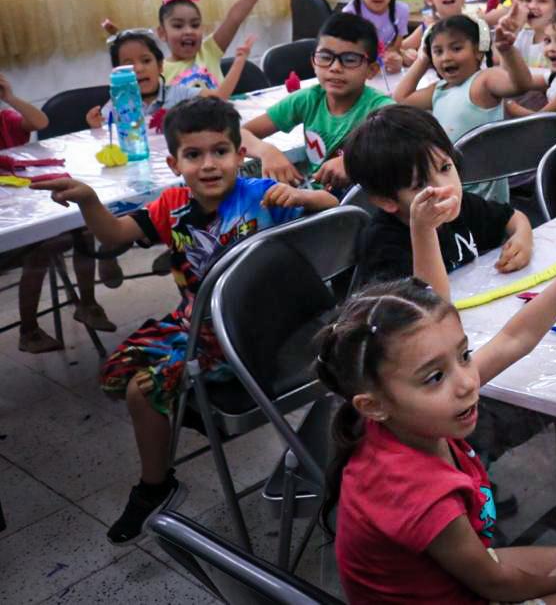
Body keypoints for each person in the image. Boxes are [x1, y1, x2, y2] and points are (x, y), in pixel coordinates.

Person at [31, 98, 336, 543]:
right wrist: (89, 201)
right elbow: (113, 235)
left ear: (241, 154)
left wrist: (305, 196)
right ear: (175, 162)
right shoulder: (169, 205)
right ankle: (171, 440)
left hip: (259, 329)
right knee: (118, 373)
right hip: (195, 322)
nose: (209, 164)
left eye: (220, 151)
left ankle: (154, 485)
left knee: (143, 389)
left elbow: (335, 210)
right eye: (194, 155)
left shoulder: (263, 196)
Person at [315, 214, 556, 605]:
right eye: (434, 377)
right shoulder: (419, 493)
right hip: (466, 592)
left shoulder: (402, 409)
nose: (467, 381)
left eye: (464, 355)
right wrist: (548, 584)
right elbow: (496, 585)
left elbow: (517, 336)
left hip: (451, 574)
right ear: (372, 406)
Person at [344, 105, 533, 298]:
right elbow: (431, 306)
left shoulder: (462, 205)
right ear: (386, 201)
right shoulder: (384, 245)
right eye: (419, 185)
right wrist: (423, 230)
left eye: (445, 168)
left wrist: (522, 237)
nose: (445, 188)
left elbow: (513, 217)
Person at [0, 74, 110, 352]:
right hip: (9, 225)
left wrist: (10, 98)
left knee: (84, 228)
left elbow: (40, 123)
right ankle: (29, 330)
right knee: (42, 248)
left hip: (28, 205)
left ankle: (87, 303)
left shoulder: (6, 120)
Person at [394, 9, 535, 203]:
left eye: (456, 48)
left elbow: (521, 84)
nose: (446, 57)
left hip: (485, 199)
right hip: (452, 189)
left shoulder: (483, 81)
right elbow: (401, 98)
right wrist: (423, 59)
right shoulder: (439, 90)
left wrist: (506, 51)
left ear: (479, 51)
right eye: (438, 51)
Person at [242, 13, 392, 192]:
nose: (335, 67)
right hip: (317, 201)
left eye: (350, 60)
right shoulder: (309, 99)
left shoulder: (380, 108)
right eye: (325, 57)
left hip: (362, 207)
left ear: (371, 70)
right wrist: (266, 151)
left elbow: (411, 145)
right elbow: (237, 133)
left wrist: (351, 163)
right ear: (313, 62)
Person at [102, 0, 293, 91]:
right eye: (178, 26)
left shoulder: (209, 51)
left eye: (195, 25)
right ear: (162, 33)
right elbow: (134, 61)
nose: (188, 31)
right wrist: (118, 35)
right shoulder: (158, 69)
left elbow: (234, 16)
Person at [85, 29, 255, 128]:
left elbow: (219, 97)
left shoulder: (178, 94)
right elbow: (107, 138)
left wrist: (239, 61)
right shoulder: (118, 104)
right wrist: (96, 126)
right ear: (120, 73)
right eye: (129, 65)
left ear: (160, 66)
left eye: (146, 60)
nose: (138, 69)